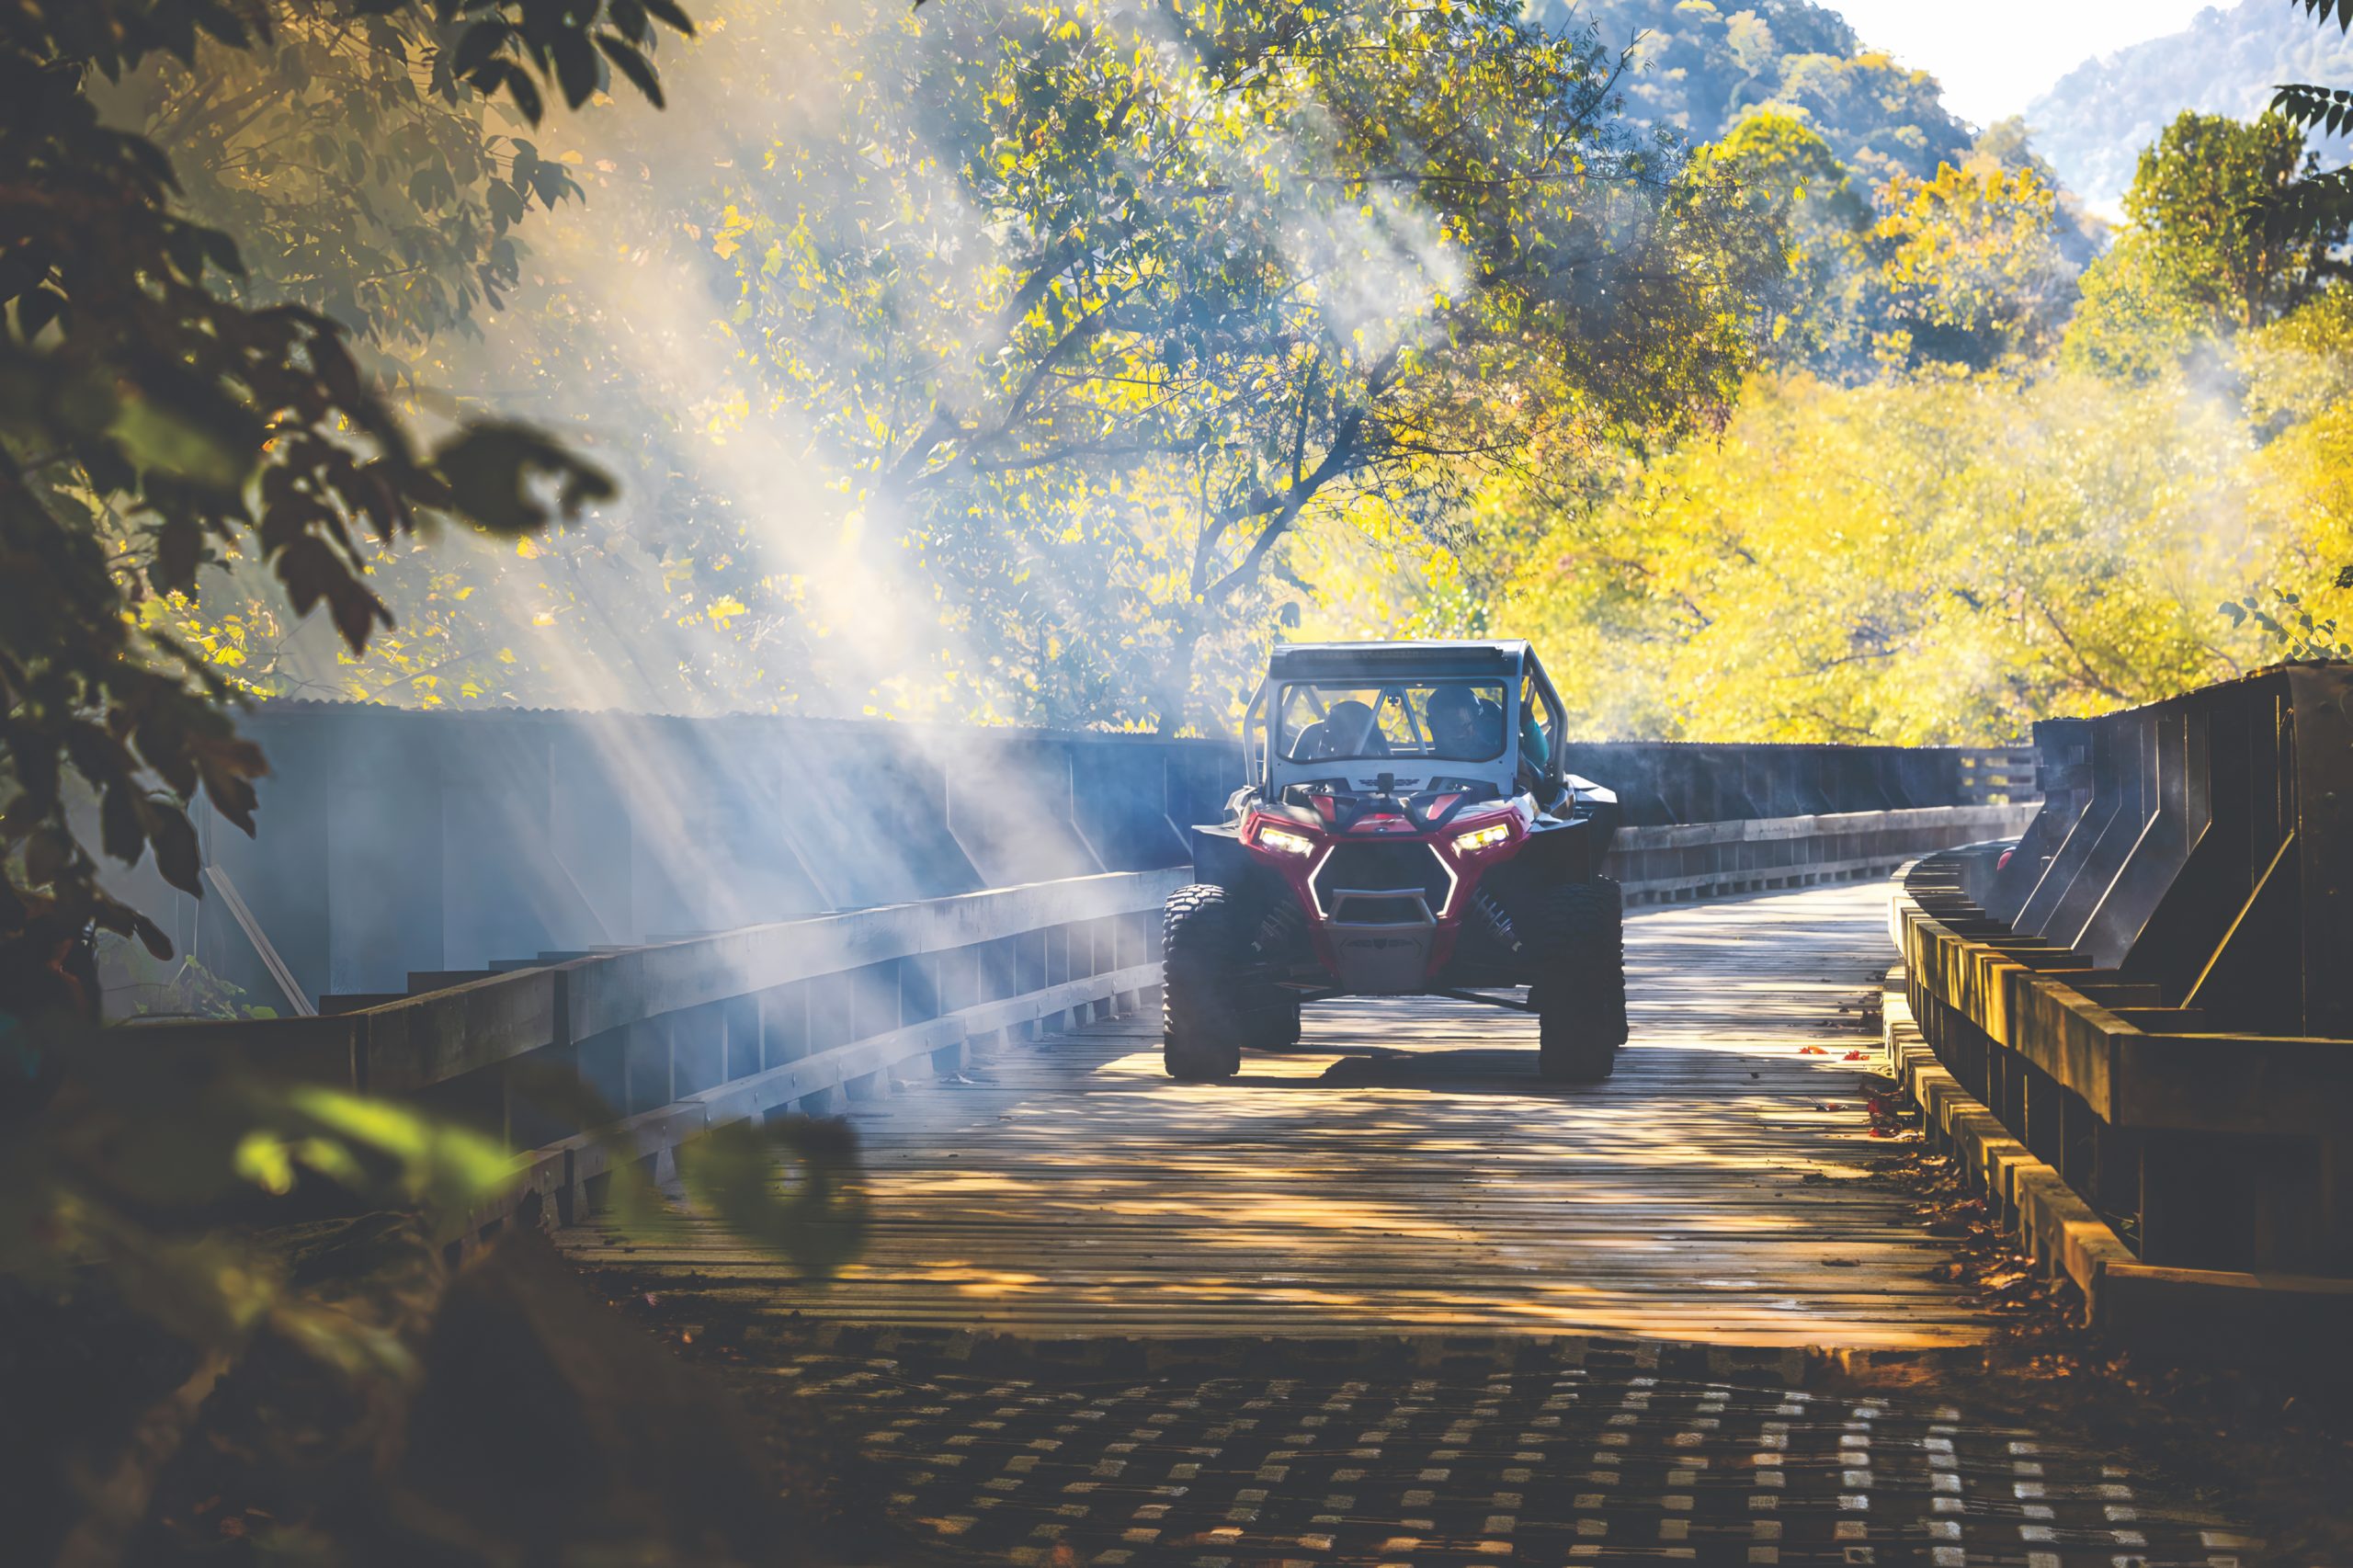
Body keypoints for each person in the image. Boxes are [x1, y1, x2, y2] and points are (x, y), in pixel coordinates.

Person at [1426, 686, 1504, 757]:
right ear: (1435, 727)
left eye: (1464, 725)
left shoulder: (1495, 757)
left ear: (1476, 723)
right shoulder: (1424, 764)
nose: (1459, 734)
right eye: (1451, 727)